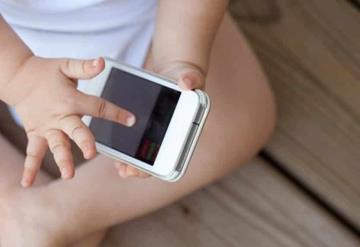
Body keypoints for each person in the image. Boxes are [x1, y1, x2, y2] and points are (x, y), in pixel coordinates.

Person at [0, 0, 276, 246]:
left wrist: (178, 58)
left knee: (242, 117)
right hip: (10, 55)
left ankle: (50, 213)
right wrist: (21, 79)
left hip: (154, 28)